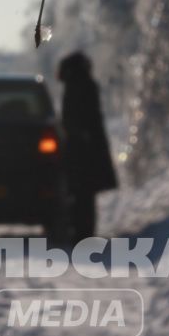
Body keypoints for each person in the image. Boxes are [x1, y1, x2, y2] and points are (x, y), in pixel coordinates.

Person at [55, 51, 117, 240]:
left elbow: (71, 120)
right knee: (85, 195)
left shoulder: (74, 87)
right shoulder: (86, 85)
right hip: (88, 147)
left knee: (79, 193)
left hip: (79, 148)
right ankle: (84, 232)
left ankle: (80, 232)